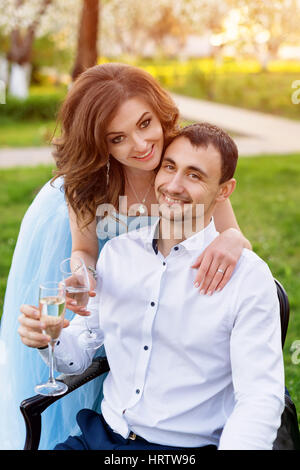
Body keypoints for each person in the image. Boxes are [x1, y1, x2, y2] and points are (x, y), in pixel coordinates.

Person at [0, 63, 251, 450]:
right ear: (100, 144)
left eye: (145, 123)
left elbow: (234, 232)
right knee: (84, 359)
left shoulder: (182, 167)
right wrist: (84, 275)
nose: (140, 145)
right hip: (111, 289)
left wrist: (232, 240)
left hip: (169, 296)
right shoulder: (88, 185)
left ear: (160, 111)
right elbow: (84, 249)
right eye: (118, 138)